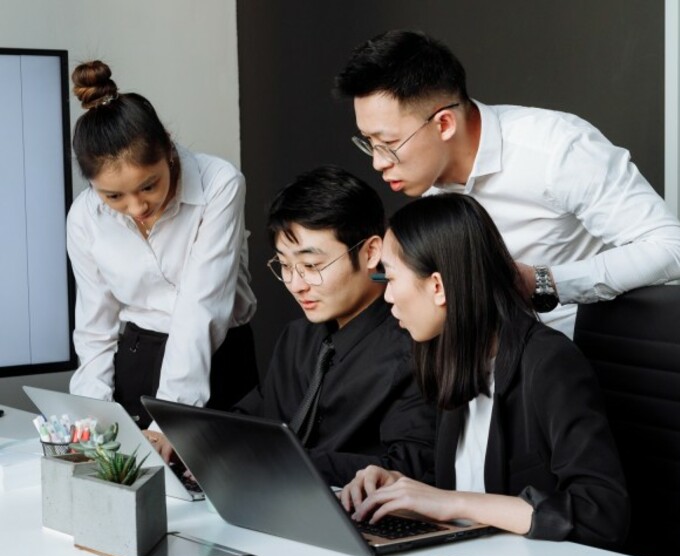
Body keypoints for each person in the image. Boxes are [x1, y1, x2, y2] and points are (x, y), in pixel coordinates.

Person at [334, 30, 680, 337]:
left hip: (586, 367)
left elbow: (675, 250)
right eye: (368, 142)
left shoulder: (557, 149)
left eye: (389, 144)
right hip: (486, 368)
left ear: (443, 124)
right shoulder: (426, 181)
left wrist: (542, 282)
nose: (378, 162)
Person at [340, 193, 629, 550]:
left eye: (392, 278)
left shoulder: (548, 362)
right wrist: (400, 487)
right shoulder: (451, 356)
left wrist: (452, 502)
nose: (386, 297)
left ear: (437, 287)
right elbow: (471, 477)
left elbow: (602, 514)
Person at [66, 60, 257, 462]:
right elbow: (95, 329)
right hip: (136, 358)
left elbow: (200, 307)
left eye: (148, 185)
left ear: (168, 147)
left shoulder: (219, 183)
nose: (136, 207)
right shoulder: (84, 217)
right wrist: (93, 416)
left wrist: (170, 419)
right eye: (113, 197)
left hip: (219, 357)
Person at [233, 166, 435, 486]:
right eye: (285, 265)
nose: (296, 284)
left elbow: (411, 465)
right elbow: (253, 418)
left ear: (371, 252)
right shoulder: (296, 337)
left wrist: (282, 460)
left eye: (312, 266)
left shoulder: (413, 346)